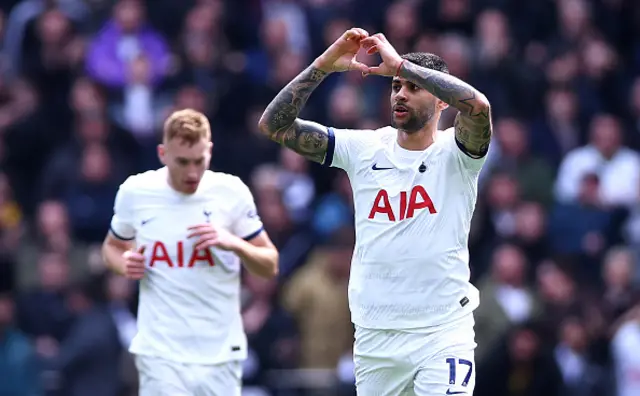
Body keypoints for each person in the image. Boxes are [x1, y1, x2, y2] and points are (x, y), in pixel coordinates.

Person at [258, 28, 492, 396]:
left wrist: (402, 65)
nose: (400, 93)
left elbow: (479, 107)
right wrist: (322, 66)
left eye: (412, 87)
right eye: (396, 85)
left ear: (442, 101)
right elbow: (274, 126)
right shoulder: (365, 148)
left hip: (443, 330)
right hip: (376, 336)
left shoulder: (458, 153)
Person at [101, 109, 279, 396]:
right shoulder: (136, 191)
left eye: (200, 161)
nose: (192, 172)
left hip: (219, 353)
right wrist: (124, 264)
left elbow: (269, 265)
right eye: (182, 162)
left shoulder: (231, 192)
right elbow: (112, 247)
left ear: (209, 150)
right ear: (162, 153)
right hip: (160, 351)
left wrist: (233, 242)